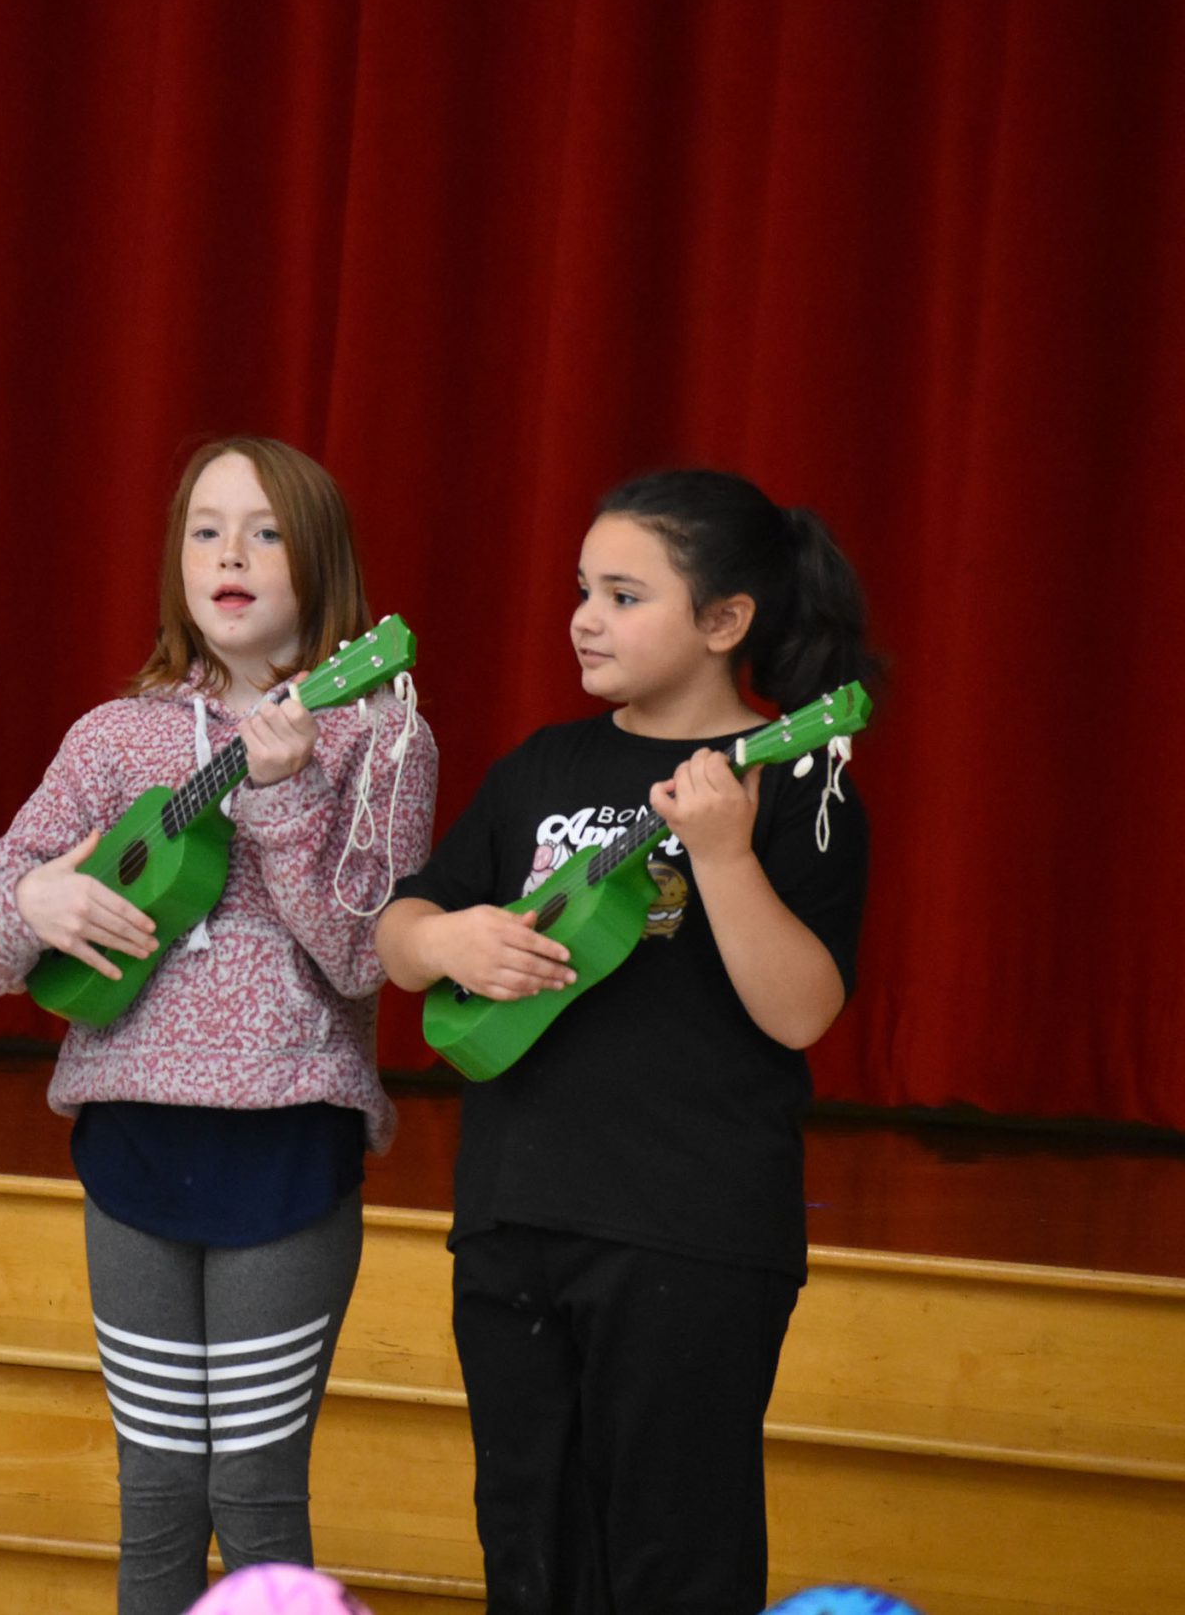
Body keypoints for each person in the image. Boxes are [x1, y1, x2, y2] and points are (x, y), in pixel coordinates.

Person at [374, 468, 876, 1614]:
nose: (583, 619)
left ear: (724, 622)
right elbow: (401, 932)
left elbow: (802, 1010)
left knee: (671, 1555)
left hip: (688, 1231)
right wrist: (452, 940)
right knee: (528, 1548)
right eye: (579, 591)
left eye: (621, 594)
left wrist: (725, 857)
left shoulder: (800, 775)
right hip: (513, 1217)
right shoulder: (542, 766)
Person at [0, 436, 436, 1615]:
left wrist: (280, 800)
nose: (230, 554)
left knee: (259, 1493)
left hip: (282, 1148)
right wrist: (33, 899)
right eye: (205, 529)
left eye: (266, 531)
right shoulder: (112, 739)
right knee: (157, 1495)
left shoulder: (378, 740)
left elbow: (360, 951)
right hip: (129, 1150)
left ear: (320, 563)